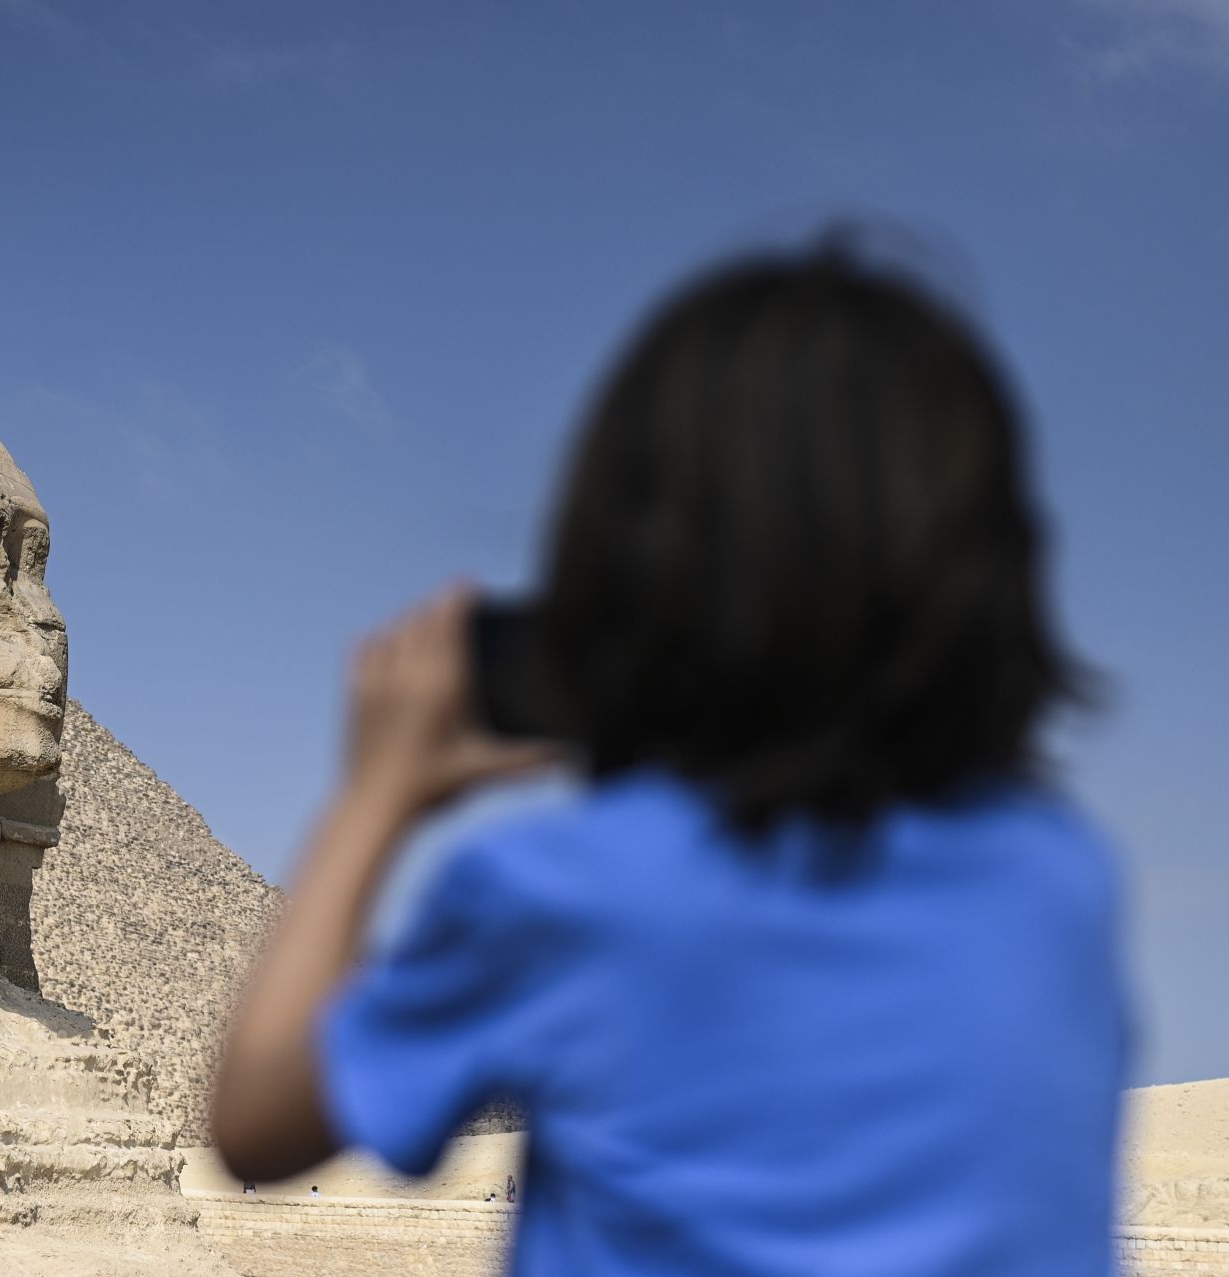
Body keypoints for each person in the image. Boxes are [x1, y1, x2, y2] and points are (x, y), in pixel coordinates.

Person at [212, 238, 1129, 1276]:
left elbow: (256, 1120)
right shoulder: (1063, 882)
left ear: (620, 574)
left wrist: (374, 796)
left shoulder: (568, 890)